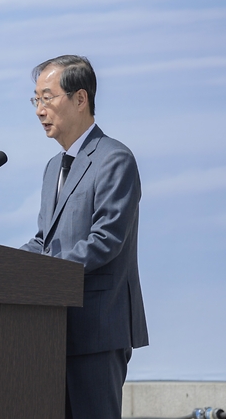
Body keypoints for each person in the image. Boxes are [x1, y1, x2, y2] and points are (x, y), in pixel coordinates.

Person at [20, 55, 149, 419]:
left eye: (47, 98)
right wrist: (6, 266)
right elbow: (45, 239)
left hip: (97, 328)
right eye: (36, 100)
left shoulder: (114, 159)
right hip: (53, 329)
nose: (39, 110)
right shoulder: (52, 168)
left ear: (80, 99)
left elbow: (106, 239)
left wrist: (43, 271)